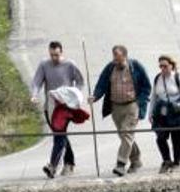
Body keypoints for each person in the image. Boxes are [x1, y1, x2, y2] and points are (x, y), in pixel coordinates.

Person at [91, 45, 151, 177]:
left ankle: (121, 164)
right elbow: (102, 83)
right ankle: (136, 161)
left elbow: (147, 86)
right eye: (113, 57)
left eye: (118, 58)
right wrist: (95, 96)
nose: (115, 61)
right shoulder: (110, 67)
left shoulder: (136, 67)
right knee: (124, 135)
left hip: (132, 105)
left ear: (125, 56)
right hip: (115, 106)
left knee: (126, 132)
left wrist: (140, 102)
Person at [29, 41, 86, 178]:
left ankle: (53, 166)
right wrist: (34, 95)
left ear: (61, 53)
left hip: (65, 107)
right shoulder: (44, 65)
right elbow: (36, 82)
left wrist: (74, 94)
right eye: (51, 55)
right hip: (50, 107)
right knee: (60, 135)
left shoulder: (69, 65)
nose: (54, 58)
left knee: (59, 135)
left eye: (56, 55)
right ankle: (69, 163)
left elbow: (80, 82)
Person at [149, 54, 180, 174]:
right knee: (160, 137)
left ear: (171, 66)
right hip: (162, 112)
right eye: (161, 66)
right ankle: (166, 160)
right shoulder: (157, 78)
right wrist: (150, 113)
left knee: (177, 138)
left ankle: (177, 162)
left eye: (165, 66)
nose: (163, 69)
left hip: (177, 111)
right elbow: (153, 96)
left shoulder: (178, 78)